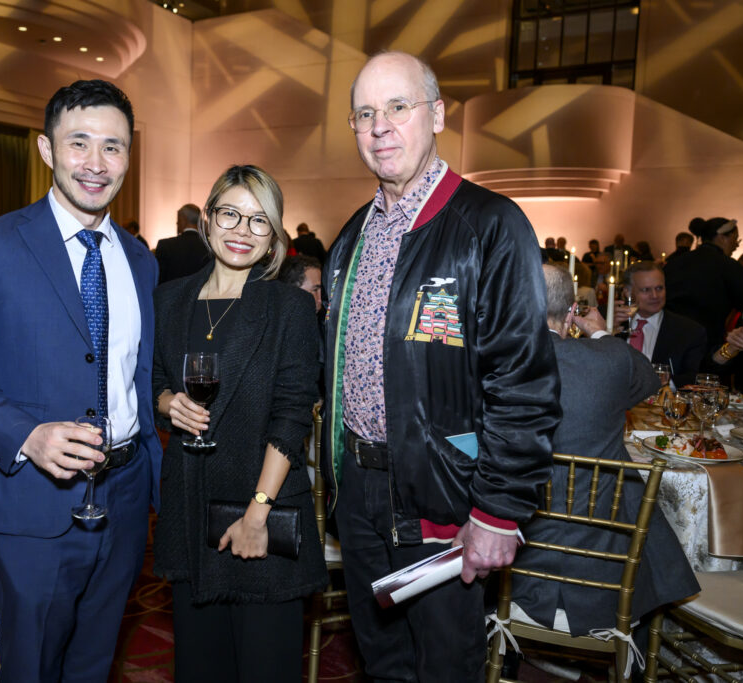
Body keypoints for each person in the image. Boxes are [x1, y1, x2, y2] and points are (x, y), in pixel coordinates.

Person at [321, 52, 560, 682]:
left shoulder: (490, 226)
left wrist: (498, 511)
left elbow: (525, 382)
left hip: (445, 499)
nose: (381, 127)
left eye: (398, 107)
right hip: (363, 495)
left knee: (445, 667)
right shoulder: (351, 236)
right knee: (384, 664)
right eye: (365, 114)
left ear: (437, 115)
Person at [0, 79, 162, 683]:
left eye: (114, 147)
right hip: (34, 502)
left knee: (93, 662)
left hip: (126, 497)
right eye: (79, 143)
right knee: (30, 667)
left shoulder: (140, 259)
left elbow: (135, 372)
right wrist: (27, 434)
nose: (97, 163)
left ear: (129, 157)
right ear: (47, 149)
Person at [152, 165, 326, 681]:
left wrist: (257, 514)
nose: (241, 231)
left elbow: (293, 416)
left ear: (274, 238)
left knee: (262, 668)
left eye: (258, 221)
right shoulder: (169, 300)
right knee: (199, 667)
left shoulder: (289, 307)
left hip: (259, 512)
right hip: (189, 505)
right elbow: (153, 378)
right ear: (207, 220)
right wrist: (166, 403)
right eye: (230, 213)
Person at [508, 264, 699, 653]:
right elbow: (648, 382)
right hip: (603, 561)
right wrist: (601, 333)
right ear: (570, 313)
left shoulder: (497, 358)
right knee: (633, 494)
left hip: (515, 549)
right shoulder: (606, 359)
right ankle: (636, 644)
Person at [613, 261, 706, 386]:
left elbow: (693, 377)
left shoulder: (688, 331)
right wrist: (607, 330)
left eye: (659, 288)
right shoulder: (611, 321)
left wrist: (661, 385)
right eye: (646, 290)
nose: (655, 296)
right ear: (628, 292)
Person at [664, 217, 743, 353]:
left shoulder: (676, 262)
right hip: (706, 344)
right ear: (721, 237)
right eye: (735, 238)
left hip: (669, 338)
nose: (737, 245)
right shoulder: (729, 266)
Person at [155, 203, 211, 283]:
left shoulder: (165, 245)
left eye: (178, 219)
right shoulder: (209, 246)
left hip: (172, 294)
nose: (176, 223)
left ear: (183, 219)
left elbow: (159, 279)